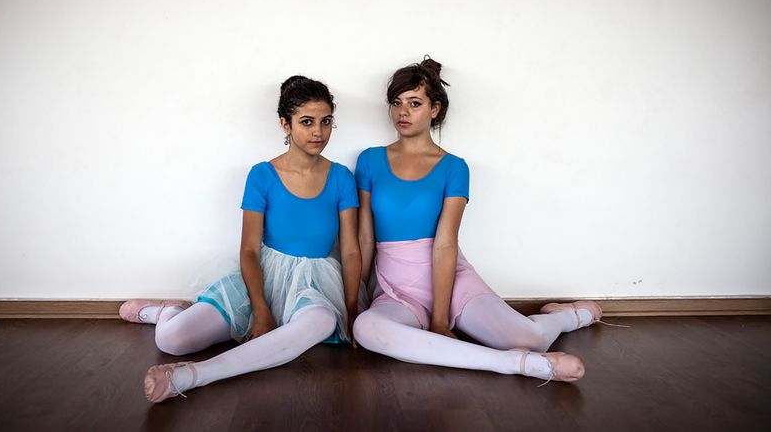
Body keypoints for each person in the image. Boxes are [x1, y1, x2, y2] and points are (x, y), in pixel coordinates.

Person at [352, 57, 600, 383]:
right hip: (397, 289)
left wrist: (441, 320)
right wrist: (356, 302)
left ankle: (569, 317)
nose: (403, 112)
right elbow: (365, 239)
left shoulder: (454, 167)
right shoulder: (370, 161)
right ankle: (514, 364)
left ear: (435, 109)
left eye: (415, 103)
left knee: (530, 339)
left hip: (450, 279)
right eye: (396, 103)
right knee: (366, 327)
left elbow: (444, 243)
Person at [119, 76, 361, 403]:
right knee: (172, 340)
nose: (318, 132)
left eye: (326, 122)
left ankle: (194, 375)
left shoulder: (341, 178)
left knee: (323, 320)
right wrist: (261, 311)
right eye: (307, 122)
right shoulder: (263, 175)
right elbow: (249, 249)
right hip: (263, 276)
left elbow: (349, 250)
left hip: (315, 284)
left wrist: (351, 313)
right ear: (284, 124)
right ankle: (164, 314)